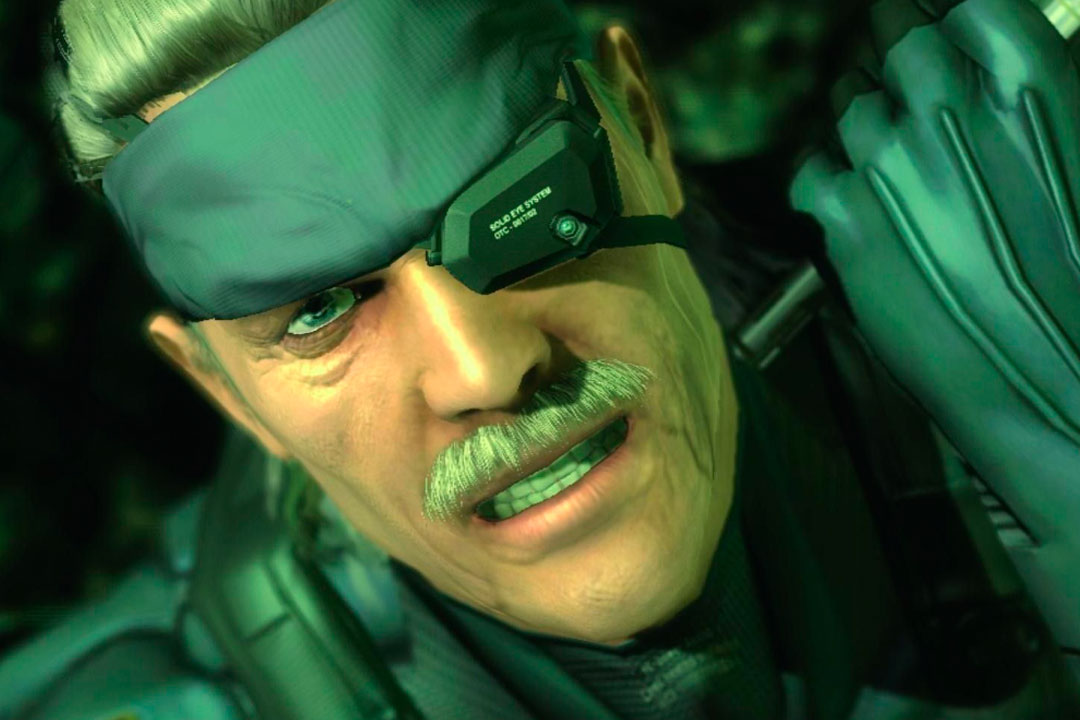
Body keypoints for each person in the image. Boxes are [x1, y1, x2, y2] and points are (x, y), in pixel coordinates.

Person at [1, 0, 1078, 718]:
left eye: (518, 199)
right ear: (225, 391)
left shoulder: (969, 343)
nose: (480, 369)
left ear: (640, 126)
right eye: (318, 309)